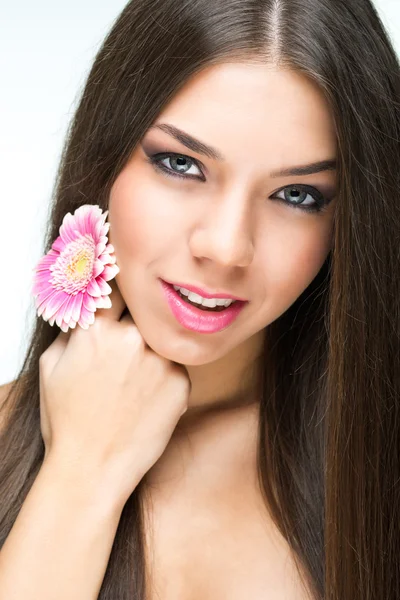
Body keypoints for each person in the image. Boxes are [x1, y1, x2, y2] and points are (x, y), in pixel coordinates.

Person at [0, 0, 399, 598]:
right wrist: (80, 477)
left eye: (297, 195)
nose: (226, 247)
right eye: (181, 164)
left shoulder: (373, 470)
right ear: (104, 159)